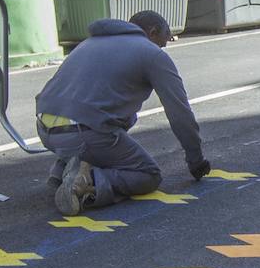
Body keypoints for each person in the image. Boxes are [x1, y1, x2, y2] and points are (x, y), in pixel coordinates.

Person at [36, 11, 210, 215]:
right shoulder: (151, 54)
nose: (163, 48)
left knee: (125, 116)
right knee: (148, 175)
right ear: (153, 32)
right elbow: (179, 112)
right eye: (163, 42)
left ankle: (62, 168)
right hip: (84, 134)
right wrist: (195, 160)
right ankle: (85, 181)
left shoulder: (88, 44)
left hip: (45, 129)